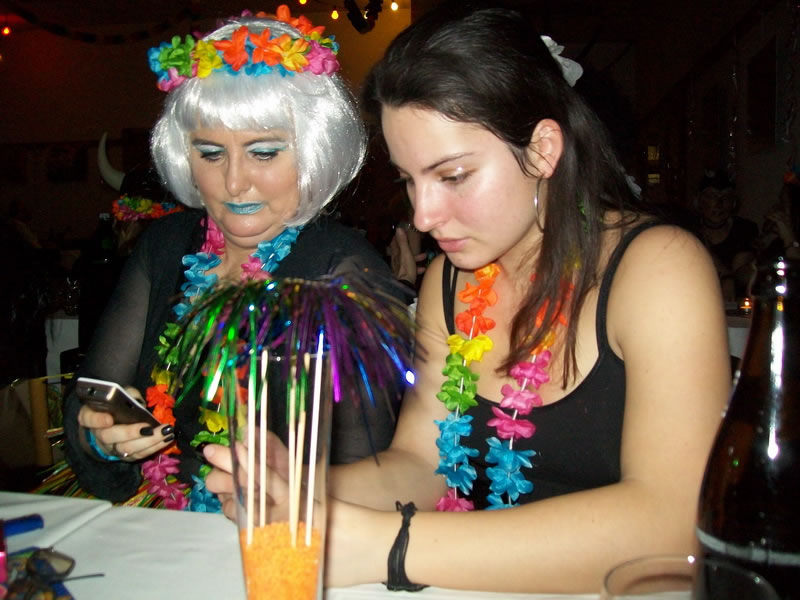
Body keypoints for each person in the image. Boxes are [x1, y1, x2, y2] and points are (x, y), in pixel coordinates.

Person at [204, 0, 730, 592]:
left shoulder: (658, 268)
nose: (423, 216)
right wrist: (304, 489)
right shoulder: (447, 281)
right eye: (409, 180)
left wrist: (389, 547)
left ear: (542, 150)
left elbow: (675, 522)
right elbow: (423, 463)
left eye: (452, 175)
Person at [61, 5, 403, 510]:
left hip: (281, 537)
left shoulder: (344, 270)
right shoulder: (165, 245)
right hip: (156, 518)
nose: (235, 182)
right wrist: (102, 437)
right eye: (211, 153)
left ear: (313, 153)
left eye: (263, 153)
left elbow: (373, 474)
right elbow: (90, 397)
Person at [694, 169, 758, 300]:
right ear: (699, 200)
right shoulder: (689, 228)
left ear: (733, 203)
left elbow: (741, 274)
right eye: (712, 196)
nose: (719, 204)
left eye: (726, 197)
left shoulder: (744, 229)